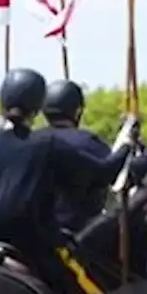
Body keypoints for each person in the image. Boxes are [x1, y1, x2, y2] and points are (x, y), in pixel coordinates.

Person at [0, 67, 136, 294]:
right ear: (37, 105)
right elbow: (103, 174)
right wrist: (127, 143)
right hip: (35, 249)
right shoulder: (45, 144)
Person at [40, 80, 117, 233]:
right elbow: (110, 173)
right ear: (77, 112)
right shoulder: (88, 142)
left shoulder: (29, 141)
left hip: (35, 232)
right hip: (82, 234)